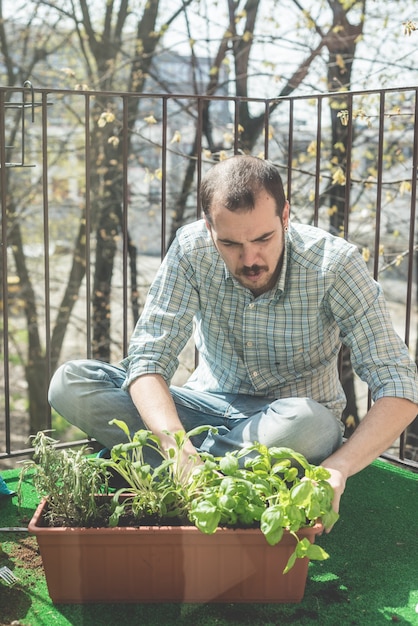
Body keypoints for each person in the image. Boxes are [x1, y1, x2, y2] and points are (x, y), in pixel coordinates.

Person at [48, 155, 418, 515]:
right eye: (230, 244)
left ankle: (159, 470)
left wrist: (338, 467)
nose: (251, 258)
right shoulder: (191, 249)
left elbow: (399, 385)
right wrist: (178, 449)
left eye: (263, 238)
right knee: (70, 383)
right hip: (203, 408)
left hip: (289, 423)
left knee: (313, 425)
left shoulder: (334, 264)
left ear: (285, 216)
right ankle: (208, 472)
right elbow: (148, 360)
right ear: (209, 228)